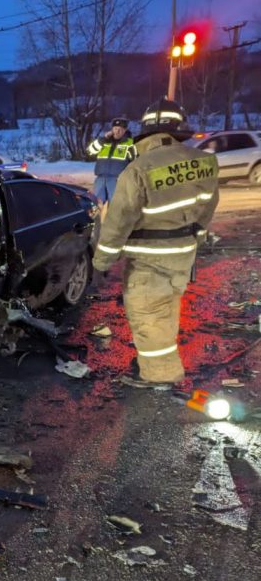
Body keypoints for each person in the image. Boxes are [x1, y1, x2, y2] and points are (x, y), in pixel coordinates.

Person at [91, 99, 220, 387]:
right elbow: (208, 206)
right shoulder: (204, 161)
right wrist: (196, 237)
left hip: (149, 259)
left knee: (148, 315)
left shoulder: (139, 169)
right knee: (166, 310)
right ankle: (153, 363)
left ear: (146, 133)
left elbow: (119, 221)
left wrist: (101, 261)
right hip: (183, 255)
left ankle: (159, 376)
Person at [86, 117, 136, 203]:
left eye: (120, 129)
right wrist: (102, 140)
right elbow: (90, 151)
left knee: (115, 204)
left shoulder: (130, 143)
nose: (117, 131)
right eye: (115, 128)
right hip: (100, 179)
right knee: (97, 204)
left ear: (125, 130)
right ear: (112, 129)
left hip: (117, 180)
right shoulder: (103, 141)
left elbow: (135, 162)